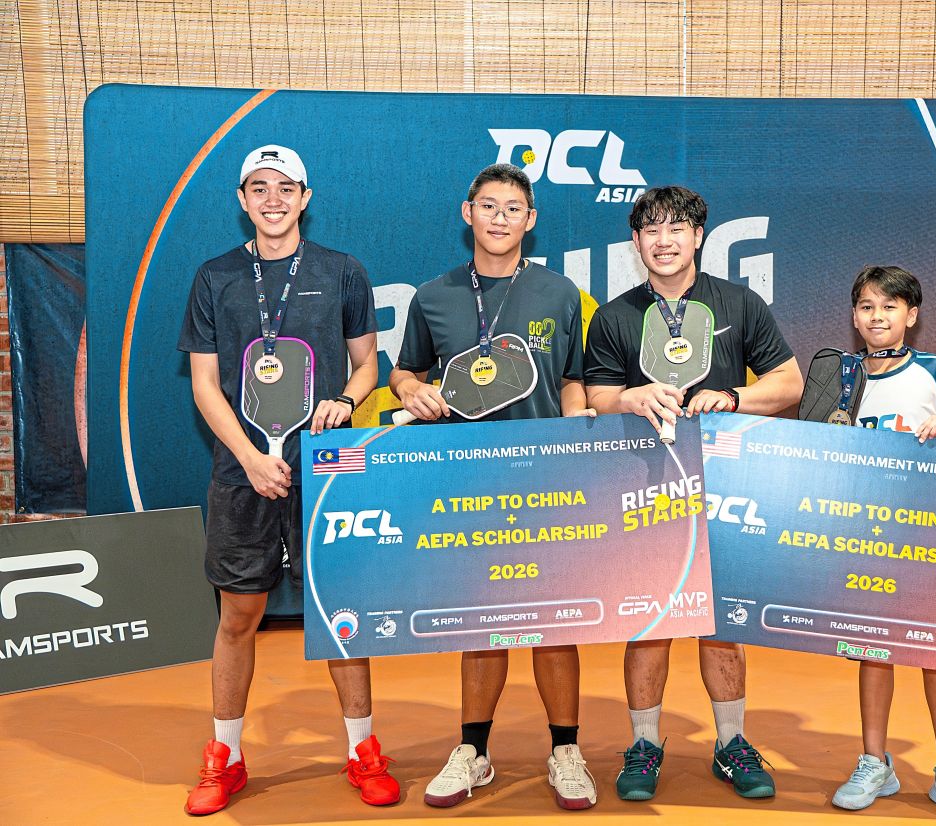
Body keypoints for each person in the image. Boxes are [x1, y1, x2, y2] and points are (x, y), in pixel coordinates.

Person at [178, 145, 395, 814]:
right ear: (242, 200)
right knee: (239, 616)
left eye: (285, 188)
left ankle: (362, 750)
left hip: (327, 470)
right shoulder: (215, 277)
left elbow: (368, 363)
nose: (272, 199)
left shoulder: (342, 271)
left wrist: (348, 400)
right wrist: (249, 456)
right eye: (259, 188)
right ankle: (226, 757)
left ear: (305, 197)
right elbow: (204, 384)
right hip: (242, 472)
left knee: (338, 615)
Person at [388, 163, 597, 811]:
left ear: (530, 220)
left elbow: (572, 379)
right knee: (482, 622)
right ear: (467, 212)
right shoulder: (433, 296)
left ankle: (566, 750)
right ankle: (473, 751)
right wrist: (411, 390)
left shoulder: (561, 293)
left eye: (512, 208)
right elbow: (403, 372)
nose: (499, 217)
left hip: (546, 481)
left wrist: (577, 427)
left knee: (554, 621)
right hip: (467, 484)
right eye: (488, 205)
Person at [584, 185, 803, 801]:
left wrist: (734, 397)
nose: (664, 241)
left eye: (676, 228)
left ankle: (731, 743)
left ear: (698, 236)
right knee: (648, 621)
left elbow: (788, 383)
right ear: (635, 241)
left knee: (720, 624)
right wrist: (628, 397)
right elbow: (596, 396)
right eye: (651, 230)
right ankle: (645, 745)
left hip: (723, 486)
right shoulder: (614, 316)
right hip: (643, 487)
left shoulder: (740, 303)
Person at [830, 265, 936, 825]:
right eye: (867, 307)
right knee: (873, 649)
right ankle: (875, 762)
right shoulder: (839, 374)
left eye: (889, 306)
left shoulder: (934, 370)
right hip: (862, 533)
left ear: (911, 315)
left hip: (926, 535)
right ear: (854, 316)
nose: (877, 316)